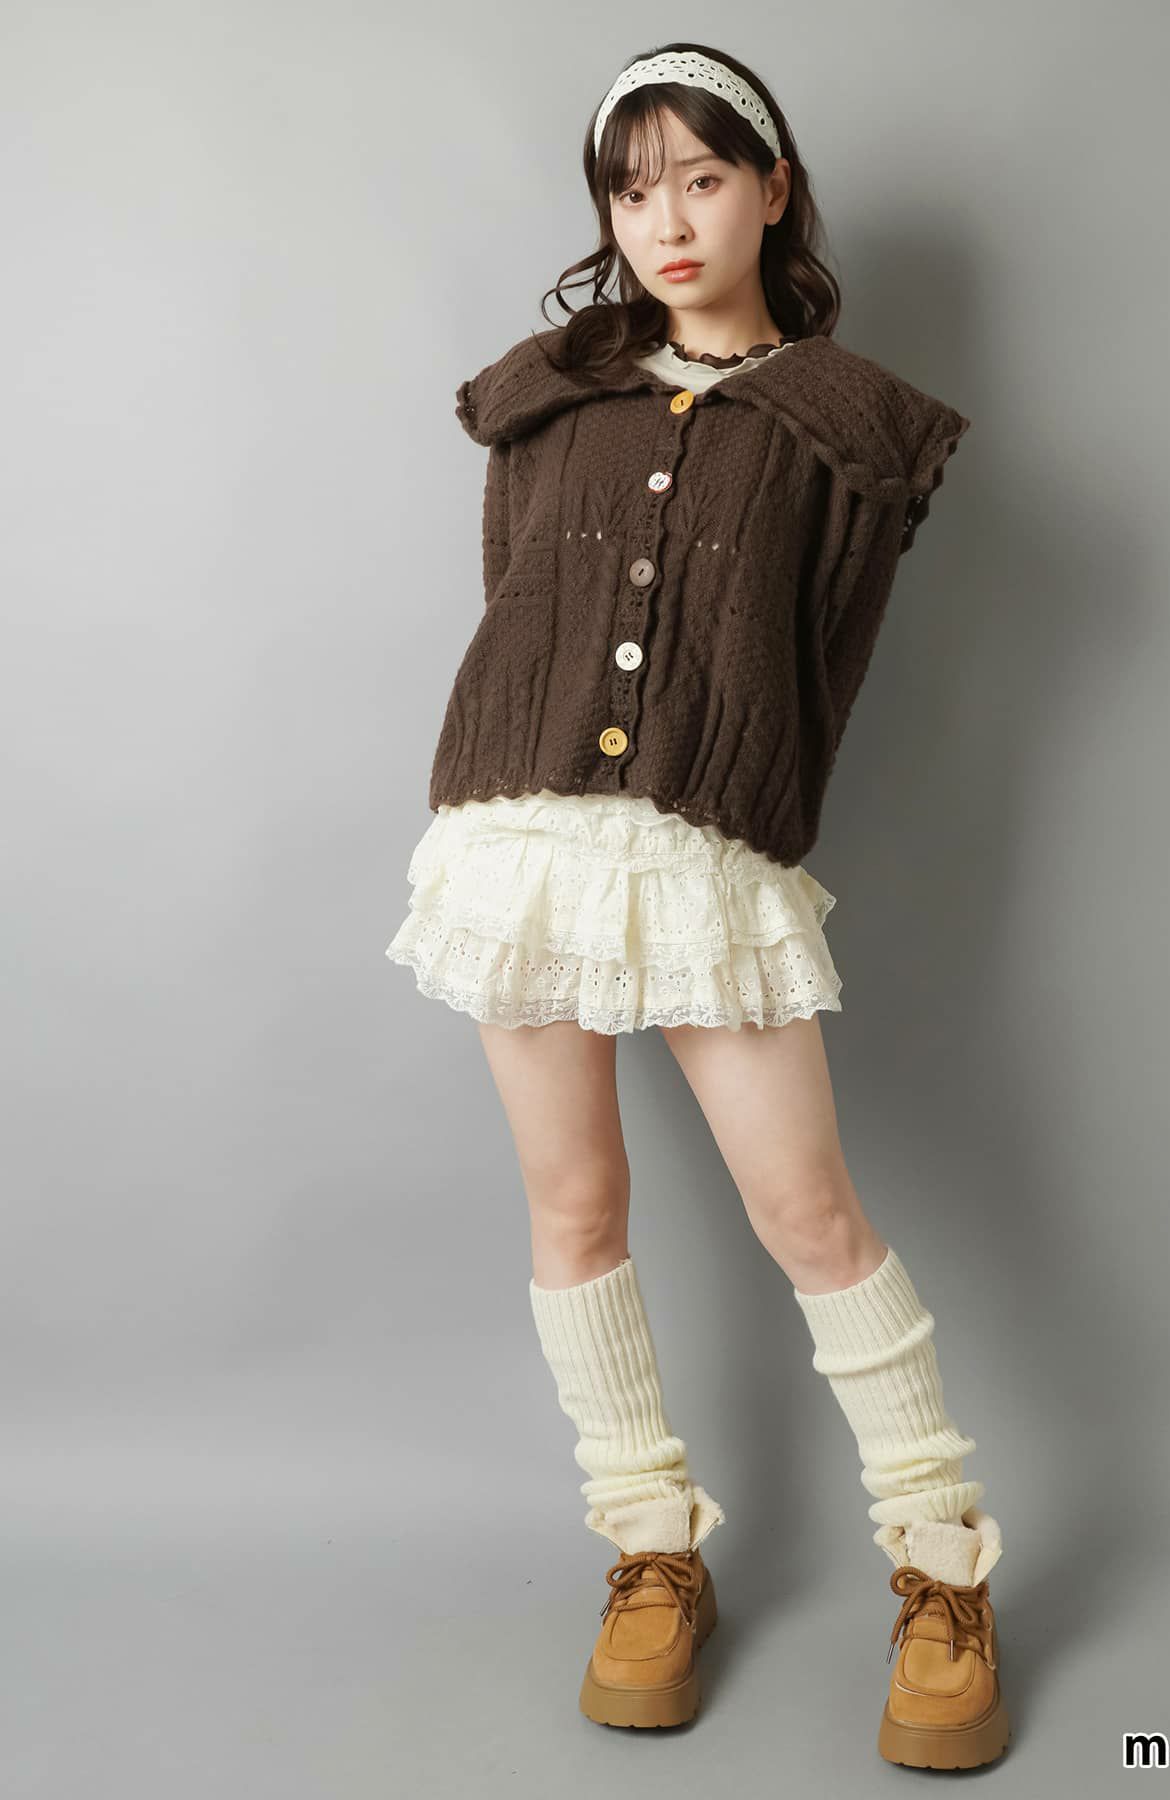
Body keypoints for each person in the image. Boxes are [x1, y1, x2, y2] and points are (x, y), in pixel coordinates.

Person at [384, 42, 1008, 1771]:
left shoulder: (849, 430)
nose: (666, 220)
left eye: (704, 179)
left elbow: (824, 667)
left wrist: (738, 816)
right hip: (522, 840)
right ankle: (650, 1546)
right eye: (632, 187)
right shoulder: (548, 398)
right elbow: (517, 608)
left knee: (808, 1210)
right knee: (575, 1205)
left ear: (772, 190)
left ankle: (941, 1562)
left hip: (701, 850)